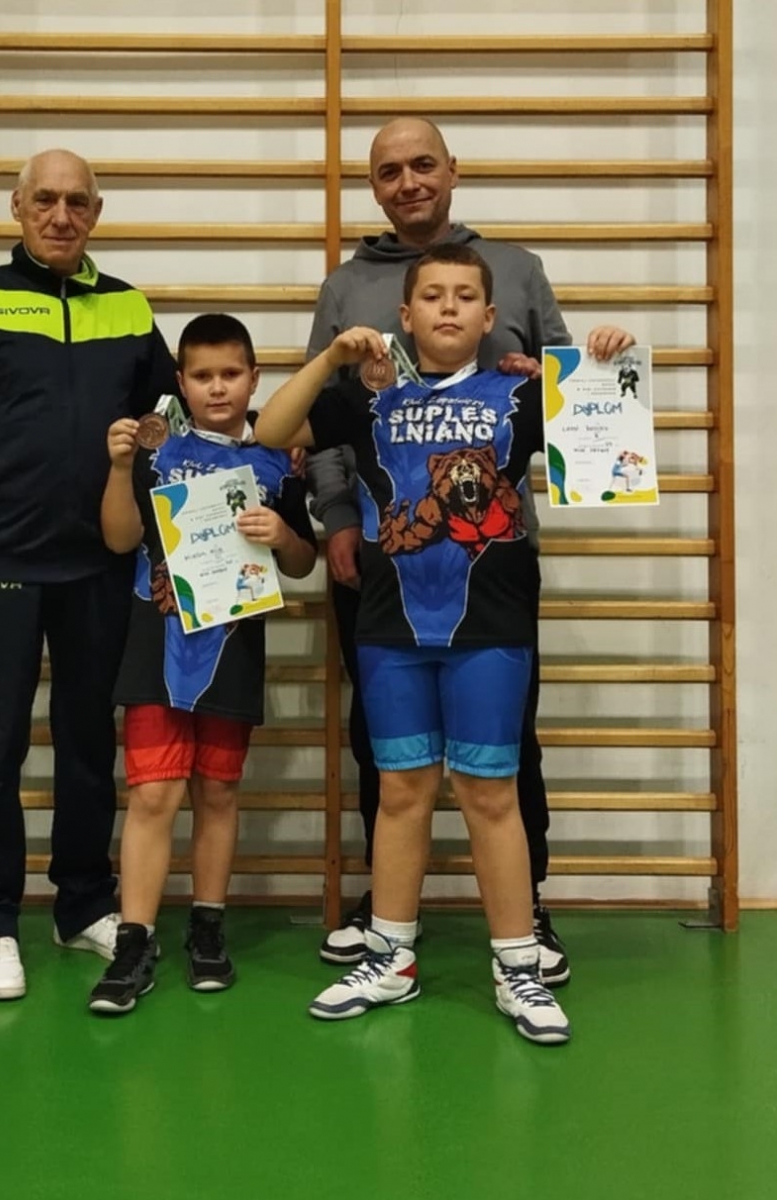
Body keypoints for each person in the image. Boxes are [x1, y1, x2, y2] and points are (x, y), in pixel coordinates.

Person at [306, 117, 634, 979]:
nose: (408, 181)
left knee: (506, 744)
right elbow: (320, 420)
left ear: (453, 170)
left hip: (490, 561)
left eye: (423, 164)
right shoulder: (345, 286)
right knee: (383, 745)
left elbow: (571, 392)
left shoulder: (517, 269)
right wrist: (338, 519)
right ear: (373, 186)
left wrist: (599, 364)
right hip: (380, 552)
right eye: (389, 171)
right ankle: (388, 918)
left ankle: (529, 912)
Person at [256, 244, 578, 1043]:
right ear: (404, 315)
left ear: (490, 315)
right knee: (401, 791)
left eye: (465, 295)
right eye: (432, 295)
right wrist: (331, 356)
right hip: (390, 624)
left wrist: (596, 363)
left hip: (491, 625)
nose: (448, 307)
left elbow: (610, 443)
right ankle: (390, 956)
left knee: (490, 794)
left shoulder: (518, 392)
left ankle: (517, 965)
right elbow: (270, 429)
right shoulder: (367, 396)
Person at [0, 150, 177, 1000]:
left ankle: (81, 901)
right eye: (45, 200)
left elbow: (171, 429)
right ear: (17, 207)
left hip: (100, 566)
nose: (61, 215)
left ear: (97, 212)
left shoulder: (128, 308)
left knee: (89, 744)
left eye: (77, 202)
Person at [88, 314, 317, 1015]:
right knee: (153, 796)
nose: (217, 387)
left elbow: (302, 562)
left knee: (217, 792)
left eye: (231, 374)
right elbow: (118, 538)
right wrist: (119, 467)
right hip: (155, 643)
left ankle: (209, 926)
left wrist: (283, 534)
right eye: (202, 375)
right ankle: (134, 939)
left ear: (254, 379)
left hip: (231, 647)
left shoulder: (277, 459)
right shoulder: (154, 449)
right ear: (181, 383)